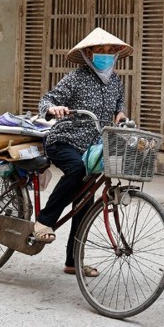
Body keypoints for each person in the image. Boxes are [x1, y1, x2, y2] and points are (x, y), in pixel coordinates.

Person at [31, 27, 132, 277]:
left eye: (110, 51)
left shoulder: (114, 81)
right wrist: (54, 109)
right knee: (76, 169)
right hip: (63, 141)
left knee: (85, 201)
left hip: (92, 148)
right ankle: (44, 221)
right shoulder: (76, 78)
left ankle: (73, 261)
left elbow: (119, 106)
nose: (106, 54)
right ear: (89, 53)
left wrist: (120, 115)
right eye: (100, 50)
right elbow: (47, 99)